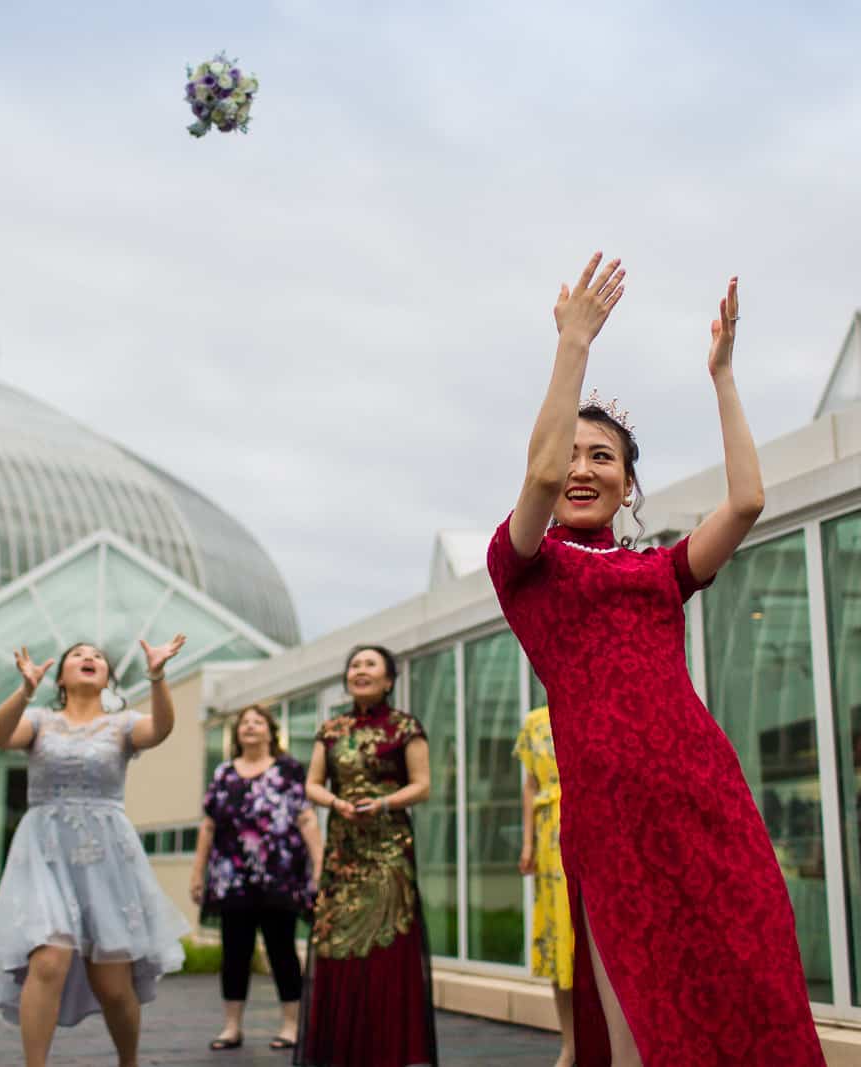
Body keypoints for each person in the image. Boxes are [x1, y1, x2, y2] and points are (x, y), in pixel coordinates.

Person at [485, 253, 824, 1065]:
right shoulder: (524, 564)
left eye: (602, 457)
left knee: (752, 982)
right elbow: (538, 469)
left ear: (628, 484)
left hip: (707, 800)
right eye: (572, 452)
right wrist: (574, 347)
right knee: (642, 1023)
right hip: (613, 823)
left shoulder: (659, 572)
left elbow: (746, 500)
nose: (580, 467)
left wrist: (723, 376)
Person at [0, 637, 190, 1067]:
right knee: (48, 961)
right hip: (44, 852)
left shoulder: (123, 724)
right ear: (61, 677)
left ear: (108, 677)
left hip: (106, 857)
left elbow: (161, 729)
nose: (88, 658)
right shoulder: (37, 720)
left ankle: (129, 1061)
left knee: (113, 985)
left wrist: (158, 676)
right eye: (77, 655)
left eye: (97, 657)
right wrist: (24, 691)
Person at [297, 645, 437, 1067]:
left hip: (389, 851)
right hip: (344, 852)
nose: (360, 670)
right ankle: (341, 1049)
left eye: (370, 664)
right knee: (336, 944)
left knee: (386, 944)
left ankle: (389, 1049)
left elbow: (423, 786)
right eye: (354, 664)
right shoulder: (331, 729)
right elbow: (313, 784)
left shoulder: (405, 727)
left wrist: (383, 804)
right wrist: (335, 804)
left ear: (389, 679)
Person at [190, 703, 323, 1052]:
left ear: (270, 730)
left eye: (257, 721)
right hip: (231, 879)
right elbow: (208, 826)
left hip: (281, 877)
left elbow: (306, 819)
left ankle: (291, 1025)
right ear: (237, 734)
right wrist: (197, 872)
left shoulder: (289, 770)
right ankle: (231, 1027)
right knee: (235, 952)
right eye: (244, 723)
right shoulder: (223, 774)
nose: (250, 727)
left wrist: (320, 866)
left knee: (282, 950)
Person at [516, 705, 575, 1067]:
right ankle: (570, 1043)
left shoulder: (595, 704)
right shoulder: (535, 722)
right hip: (550, 841)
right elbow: (530, 785)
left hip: (591, 827)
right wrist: (528, 844)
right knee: (558, 945)